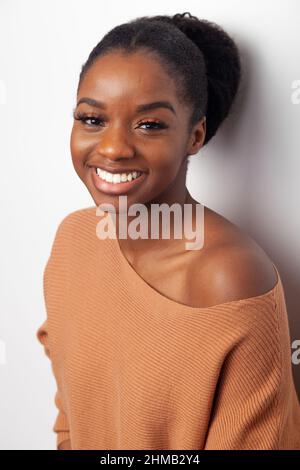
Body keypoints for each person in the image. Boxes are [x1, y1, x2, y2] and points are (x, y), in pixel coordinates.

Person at [36, 12, 300, 450]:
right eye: (92, 119)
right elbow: (73, 417)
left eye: (150, 124)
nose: (113, 148)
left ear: (194, 136)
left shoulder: (230, 276)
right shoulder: (74, 242)